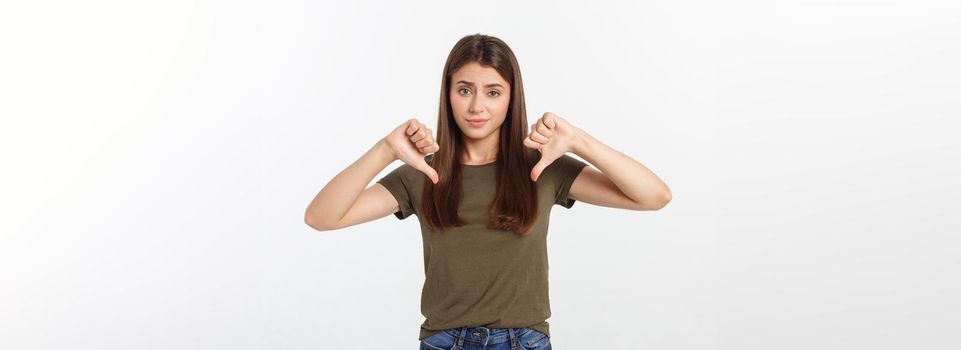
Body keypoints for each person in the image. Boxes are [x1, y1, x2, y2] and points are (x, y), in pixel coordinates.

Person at [304, 33, 671, 350]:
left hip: (524, 341)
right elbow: (321, 217)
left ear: (511, 98)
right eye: (464, 90)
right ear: (448, 94)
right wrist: (385, 148)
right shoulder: (423, 172)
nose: (477, 106)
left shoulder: (541, 168)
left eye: (493, 92)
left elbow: (654, 196)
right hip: (443, 341)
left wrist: (578, 141)